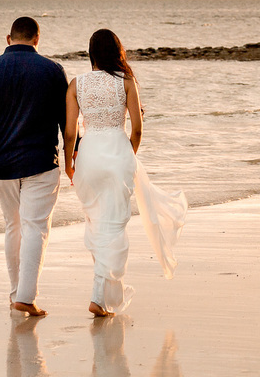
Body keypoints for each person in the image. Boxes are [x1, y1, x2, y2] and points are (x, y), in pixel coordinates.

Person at [64, 28, 187, 317]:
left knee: (96, 223)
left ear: (91, 54)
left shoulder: (75, 85)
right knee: (114, 226)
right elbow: (138, 129)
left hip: (88, 158)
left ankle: (105, 294)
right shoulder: (127, 82)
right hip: (118, 155)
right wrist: (127, 155)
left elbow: (70, 132)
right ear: (117, 52)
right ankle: (99, 297)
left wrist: (69, 163)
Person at [0, 16, 69, 317]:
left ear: (8, 38)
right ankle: (26, 295)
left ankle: (15, 294)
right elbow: (66, 122)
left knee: (14, 227)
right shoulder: (52, 70)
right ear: (37, 38)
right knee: (36, 228)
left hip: (3, 165)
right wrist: (73, 157)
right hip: (41, 163)